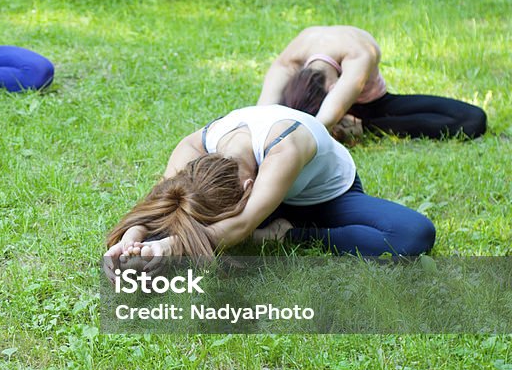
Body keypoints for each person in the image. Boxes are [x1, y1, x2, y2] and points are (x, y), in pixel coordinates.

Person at [104, 105, 436, 265]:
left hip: (324, 198)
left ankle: (287, 233)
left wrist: (171, 246)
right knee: (183, 222)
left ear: (249, 188)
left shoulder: (284, 147)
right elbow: (163, 204)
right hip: (262, 203)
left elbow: (244, 223)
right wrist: (133, 239)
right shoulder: (195, 147)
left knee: (414, 234)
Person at [256, 25, 486, 140]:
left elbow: (322, 123)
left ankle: (360, 126)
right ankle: (354, 126)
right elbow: (260, 115)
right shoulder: (296, 54)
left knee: (472, 119)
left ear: (334, 89)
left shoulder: (358, 54)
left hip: (374, 107)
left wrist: (335, 126)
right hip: (328, 111)